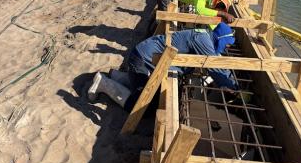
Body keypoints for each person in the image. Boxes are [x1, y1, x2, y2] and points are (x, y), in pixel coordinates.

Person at [87, 23, 238, 110]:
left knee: (147, 89)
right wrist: (233, 87)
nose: (225, 48)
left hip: (145, 55)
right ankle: (103, 84)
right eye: (227, 44)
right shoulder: (203, 40)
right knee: (144, 107)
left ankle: (118, 77)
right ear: (220, 38)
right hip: (143, 60)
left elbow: (214, 61)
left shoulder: (205, 35)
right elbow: (214, 67)